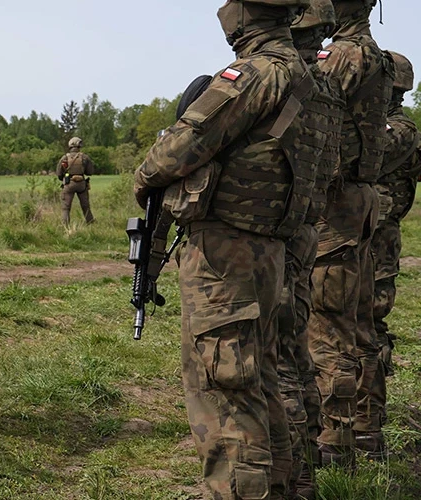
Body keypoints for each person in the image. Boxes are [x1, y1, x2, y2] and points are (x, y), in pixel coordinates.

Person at [134, 0, 312, 496]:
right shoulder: (302, 75)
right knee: (260, 384)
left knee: (227, 392)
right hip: (271, 248)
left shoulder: (254, 74)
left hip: (228, 253)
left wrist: (145, 174)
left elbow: (183, 144)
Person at [309, 0, 392, 468]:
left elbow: (308, 108)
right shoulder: (376, 55)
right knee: (357, 328)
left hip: (335, 209)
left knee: (327, 332)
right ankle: (363, 433)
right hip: (358, 204)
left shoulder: (342, 54)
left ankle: (332, 445)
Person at [278, 1, 342, 497]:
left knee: (275, 360)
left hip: (269, 237)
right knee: (296, 349)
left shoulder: (280, 80)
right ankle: (307, 467)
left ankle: (289, 475)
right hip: (304, 229)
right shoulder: (328, 88)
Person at [371, 50, 420, 432]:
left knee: (371, 323)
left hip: (380, 239)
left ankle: (369, 417)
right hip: (363, 233)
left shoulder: (398, 129)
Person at [56, 137, 95, 225]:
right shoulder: (85, 157)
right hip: (81, 184)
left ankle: (65, 226)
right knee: (86, 206)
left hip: (68, 183)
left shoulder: (64, 158)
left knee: (66, 208)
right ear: (79, 145)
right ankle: (90, 223)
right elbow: (90, 172)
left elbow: (59, 174)